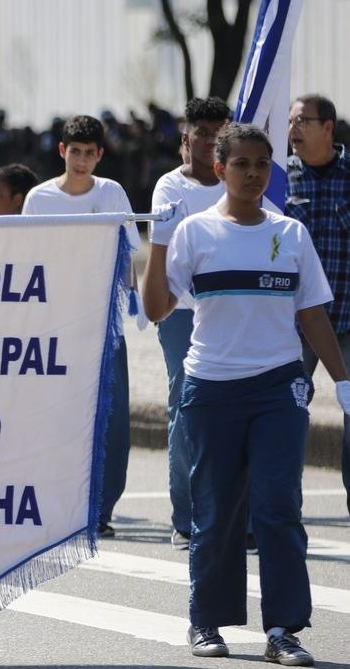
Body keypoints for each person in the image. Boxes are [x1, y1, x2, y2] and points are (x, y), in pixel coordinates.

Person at [142, 123, 350, 667]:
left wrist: (343, 381)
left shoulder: (290, 234)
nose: (253, 173)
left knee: (279, 508)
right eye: (241, 164)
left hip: (278, 387)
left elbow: (311, 313)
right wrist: (158, 244)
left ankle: (284, 628)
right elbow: (156, 309)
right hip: (210, 389)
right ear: (220, 170)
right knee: (215, 512)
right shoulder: (193, 232)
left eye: (262, 164)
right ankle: (206, 620)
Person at [22, 114, 138, 538]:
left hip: (105, 329)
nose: (83, 160)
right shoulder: (38, 198)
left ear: (100, 155)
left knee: (112, 423)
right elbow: (28, 263)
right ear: (62, 151)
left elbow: (127, 257)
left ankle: (101, 509)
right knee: (58, 419)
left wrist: (132, 302)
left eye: (91, 153)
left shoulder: (113, 193)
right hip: (56, 328)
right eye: (76, 151)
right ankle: (58, 504)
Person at [147, 96, 231, 549]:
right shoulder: (169, 188)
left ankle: (235, 513)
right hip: (181, 312)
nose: (212, 139)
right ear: (187, 138)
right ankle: (185, 516)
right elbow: (167, 252)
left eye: (220, 130)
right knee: (186, 405)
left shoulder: (237, 180)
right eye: (203, 132)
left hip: (230, 309)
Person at [286, 94, 350, 517]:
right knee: (283, 416)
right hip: (294, 325)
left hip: (347, 319)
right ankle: (276, 510)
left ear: (328, 127)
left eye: (302, 121)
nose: (293, 129)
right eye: (290, 121)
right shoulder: (277, 178)